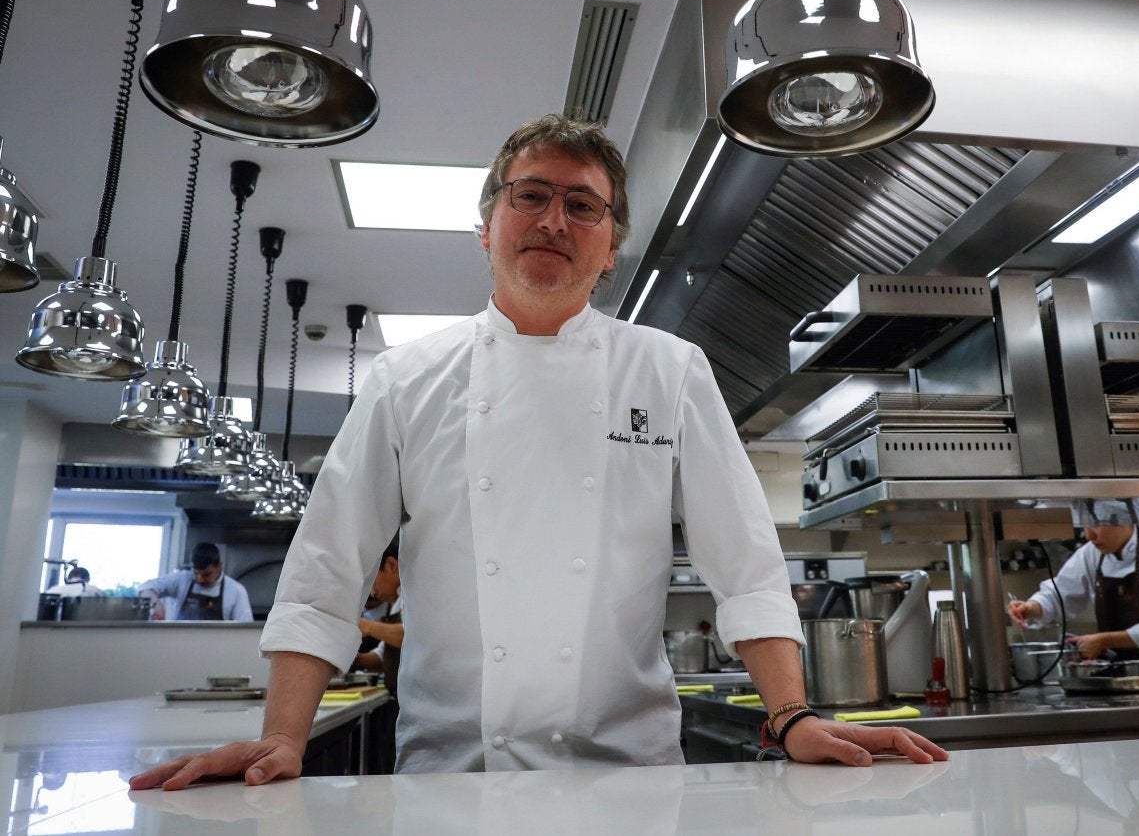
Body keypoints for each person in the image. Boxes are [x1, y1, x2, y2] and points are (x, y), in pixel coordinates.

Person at [131, 114, 944, 792]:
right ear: (487, 226)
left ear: (609, 247)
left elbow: (747, 567)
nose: (555, 220)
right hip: (452, 779)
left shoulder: (669, 369)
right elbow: (325, 572)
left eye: (584, 206)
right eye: (532, 196)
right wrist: (282, 736)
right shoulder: (407, 378)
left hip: (633, 780)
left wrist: (791, 715)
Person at [1008, 498, 1139, 660]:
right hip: (1122, 674)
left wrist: (1106, 640)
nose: (1090, 535)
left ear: (1123, 519)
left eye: (1097, 524)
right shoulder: (1091, 554)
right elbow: (1058, 595)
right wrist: (1030, 608)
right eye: (1086, 525)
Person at [138, 542, 253, 622]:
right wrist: (155, 603)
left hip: (218, 651)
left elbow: (243, 631)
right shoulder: (182, 579)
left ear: (219, 567)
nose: (199, 579)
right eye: (196, 573)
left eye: (206, 574)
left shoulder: (237, 591)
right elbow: (145, 587)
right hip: (178, 646)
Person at [351, 539, 403, 695]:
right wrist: (351, 660)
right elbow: (382, 657)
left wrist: (366, 626)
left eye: (371, 583)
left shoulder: (417, 594)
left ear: (391, 566)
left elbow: (415, 637)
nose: (373, 593)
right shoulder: (396, 603)